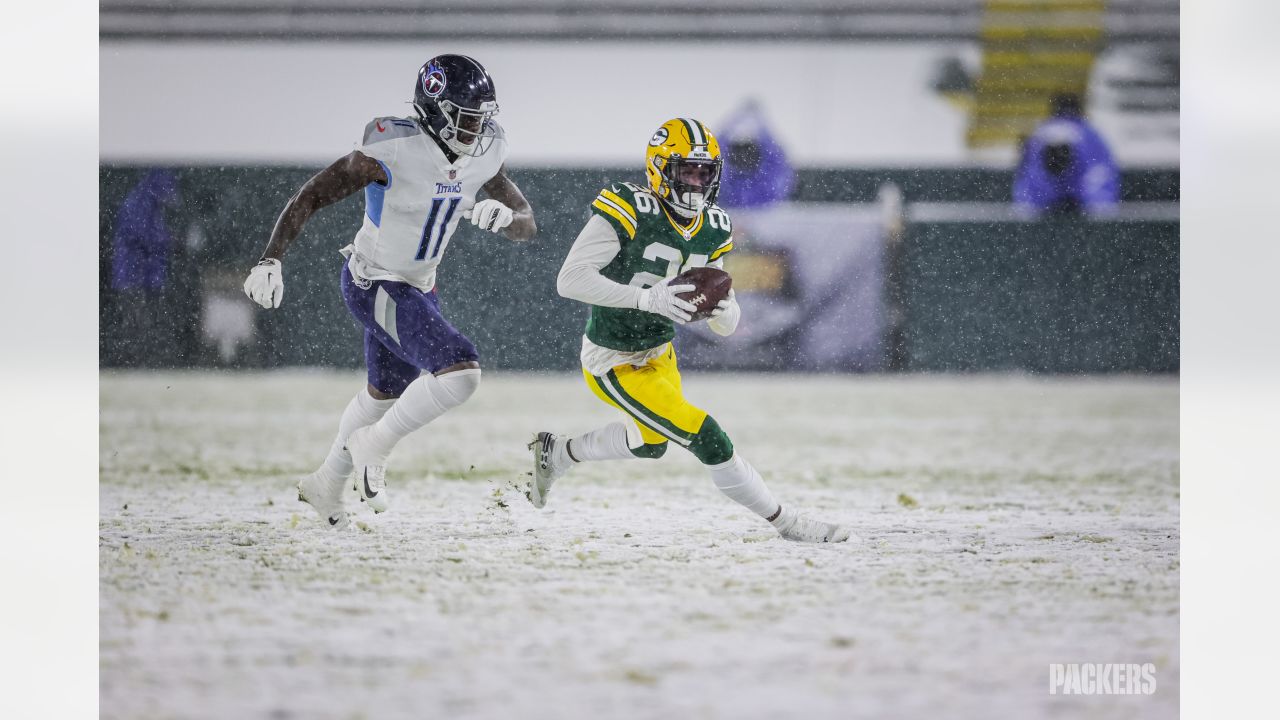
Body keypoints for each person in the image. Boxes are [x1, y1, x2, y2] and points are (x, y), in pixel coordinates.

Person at [242, 54, 537, 528]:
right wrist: (270, 258)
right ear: (435, 109)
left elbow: (528, 222)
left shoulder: (485, 152)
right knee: (461, 372)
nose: (476, 128)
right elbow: (312, 193)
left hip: (419, 286)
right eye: (466, 116)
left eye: (483, 117)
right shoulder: (393, 146)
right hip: (373, 280)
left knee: (383, 396)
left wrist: (509, 220)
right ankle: (374, 445)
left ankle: (325, 484)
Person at [530, 118, 849, 543]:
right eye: (687, 172)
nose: (697, 184)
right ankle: (785, 522)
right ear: (660, 170)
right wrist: (645, 299)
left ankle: (558, 453)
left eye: (705, 173)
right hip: (614, 358)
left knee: (651, 444)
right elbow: (569, 280)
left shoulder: (714, 225)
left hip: (660, 354)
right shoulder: (629, 209)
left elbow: (719, 311)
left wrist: (726, 310)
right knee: (707, 436)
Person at [1013, 93, 1120, 216]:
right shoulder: (1090, 134)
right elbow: (1102, 173)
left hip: (1043, 204)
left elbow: (1026, 179)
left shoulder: (1039, 132)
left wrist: (1030, 205)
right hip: (1082, 204)